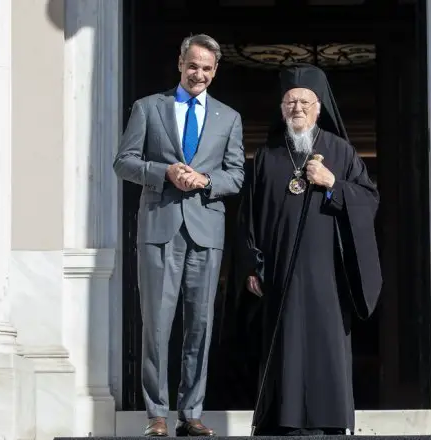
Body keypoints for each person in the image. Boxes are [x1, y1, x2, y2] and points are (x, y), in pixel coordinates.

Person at [224, 64, 382, 436]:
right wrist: (251, 266)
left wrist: (333, 185)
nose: (297, 108)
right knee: (285, 345)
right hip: (278, 273)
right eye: (290, 102)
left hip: (327, 272)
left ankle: (328, 421)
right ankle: (283, 421)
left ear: (319, 107)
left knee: (325, 343)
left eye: (304, 102)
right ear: (281, 109)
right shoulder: (266, 157)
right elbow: (248, 218)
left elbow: (369, 199)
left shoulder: (340, 151)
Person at [113, 34, 245, 437]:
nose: (199, 74)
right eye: (193, 66)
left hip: (206, 231)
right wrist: (163, 172)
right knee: (156, 324)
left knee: (200, 324)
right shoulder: (149, 108)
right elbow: (124, 162)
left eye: (207, 68)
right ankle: (157, 413)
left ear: (215, 71)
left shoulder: (229, 117)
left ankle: (192, 413)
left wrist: (205, 180)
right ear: (180, 63)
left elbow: (237, 174)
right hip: (159, 226)